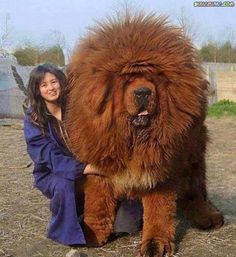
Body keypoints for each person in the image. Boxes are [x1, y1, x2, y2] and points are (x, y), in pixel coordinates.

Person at [23, 63, 142, 246]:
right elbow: (47, 156)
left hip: (89, 164)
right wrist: (86, 168)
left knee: (126, 221)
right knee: (64, 184)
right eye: (44, 85)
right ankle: (68, 232)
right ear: (37, 90)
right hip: (54, 172)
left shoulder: (75, 107)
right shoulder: (34, 119)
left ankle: (120, 213)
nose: (51, 88)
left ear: (61, 83)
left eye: (54, 82)